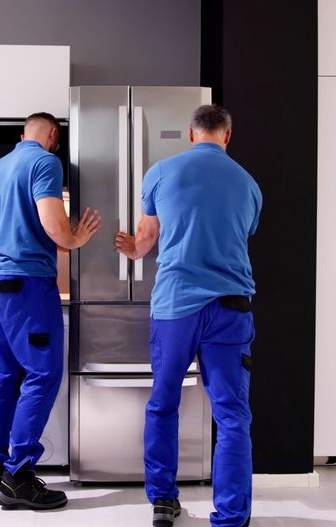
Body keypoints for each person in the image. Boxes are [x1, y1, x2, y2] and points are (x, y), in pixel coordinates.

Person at [115, 104, 262, 527]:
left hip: (176, 306)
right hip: (230, 308)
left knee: (163, 403)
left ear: (192, 134)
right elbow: (241, 232)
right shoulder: (249, 184)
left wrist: (131, 249)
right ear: (227, 136)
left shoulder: (161, 172)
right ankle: (232, 516)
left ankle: (163, 501)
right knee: (232, 414)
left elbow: (145, 239)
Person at [0, 112, 101, 510]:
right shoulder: (45, 162)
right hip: (27, 285)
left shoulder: (0, 167)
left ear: (22, 135)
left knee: (3, 375)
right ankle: (18, 477)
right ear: (53, 135)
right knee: (44, 372)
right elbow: (54, 225)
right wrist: (76, 238)